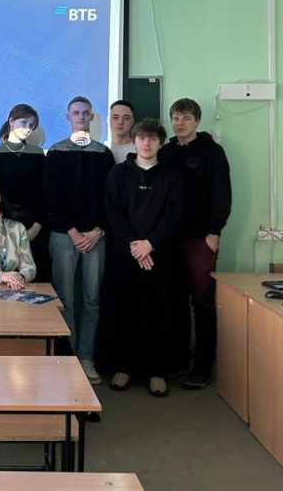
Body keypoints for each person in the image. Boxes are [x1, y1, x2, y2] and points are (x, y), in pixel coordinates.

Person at [104, 118, 184, 397]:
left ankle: (157, 372)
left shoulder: (172, 175)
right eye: (141, 138)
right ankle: (123, 368)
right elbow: (114, 212)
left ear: (160, 143)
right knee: (124, 310)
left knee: (159, 311)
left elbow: (174, 214)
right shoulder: (118, 174)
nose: (146, 143)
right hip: (124, 254)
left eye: (152, 138)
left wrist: (150, 244)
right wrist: (135, 246)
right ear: (134, 141)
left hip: (160, 254)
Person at [159, 98, 232, 390]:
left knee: (202, 301)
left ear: (197, 121)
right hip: (169, 238)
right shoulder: (166, 152)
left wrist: (214, 233)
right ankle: (179, 361)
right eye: (176, 118)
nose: (180, 123)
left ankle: (203, 365)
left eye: (186, 118)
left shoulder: (212, 152)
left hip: (201, 238)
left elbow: (222, 195)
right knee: (174, 301)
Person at [44, 96, 115, 386]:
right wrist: (72, 231)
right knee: (65, 301)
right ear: (68, 116)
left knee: (92, 300)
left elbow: (110, 197)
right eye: (76, 112)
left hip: (95, 237)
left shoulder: (103, 154)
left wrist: (97, 231)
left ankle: (86, 357)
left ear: (92, 117)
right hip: (64, 236)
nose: (81, 117)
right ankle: (68, 357)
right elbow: (52, 196)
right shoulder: (56, 152)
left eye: (86, 113)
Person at [0, 104, 48, 280]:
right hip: (3, 230)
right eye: (23, 122)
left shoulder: (37, 154)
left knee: (35, 281)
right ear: (11, 121)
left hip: (34, 228)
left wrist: (36, 227)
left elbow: (44, 193)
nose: (28, 128)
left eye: (31, 125)